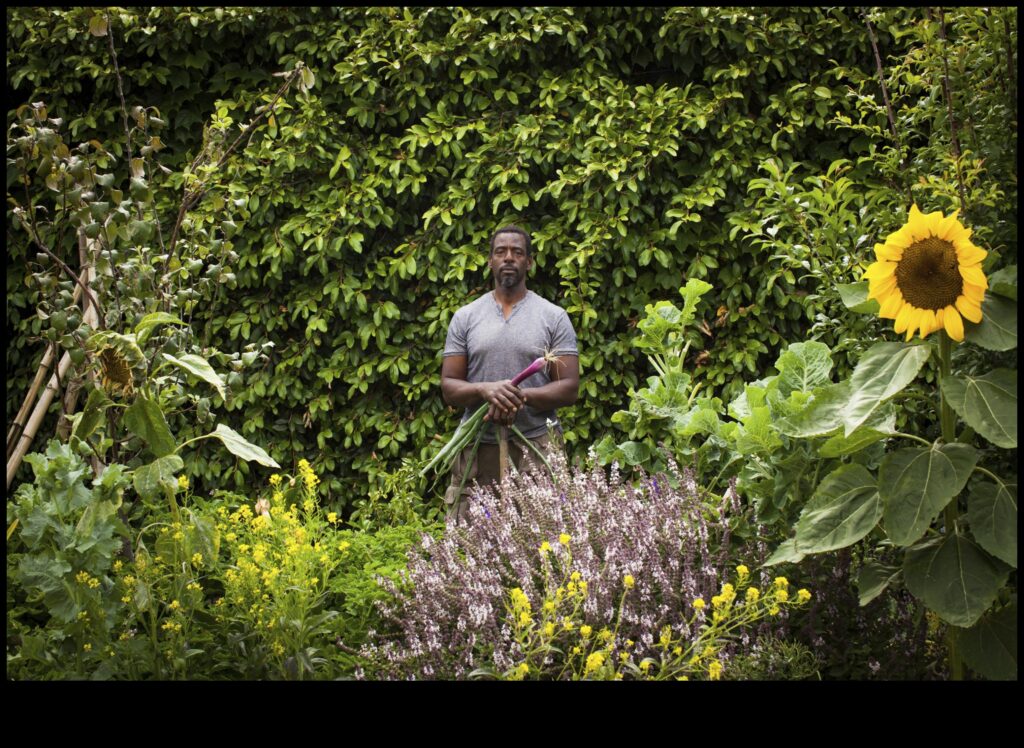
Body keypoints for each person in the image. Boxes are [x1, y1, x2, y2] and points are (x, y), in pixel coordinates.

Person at [440, 225, 579, 523]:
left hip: (536, 446)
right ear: (490, 260)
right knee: (471, 540)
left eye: (517, 252)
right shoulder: (466, 317)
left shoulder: (553, 317)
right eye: (500, 251)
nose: (508, 258)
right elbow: (449, 387)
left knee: (543, 537)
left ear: (528, 262)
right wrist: (484, 390)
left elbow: (569, 388)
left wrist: (518, 397)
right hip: (478, 446)